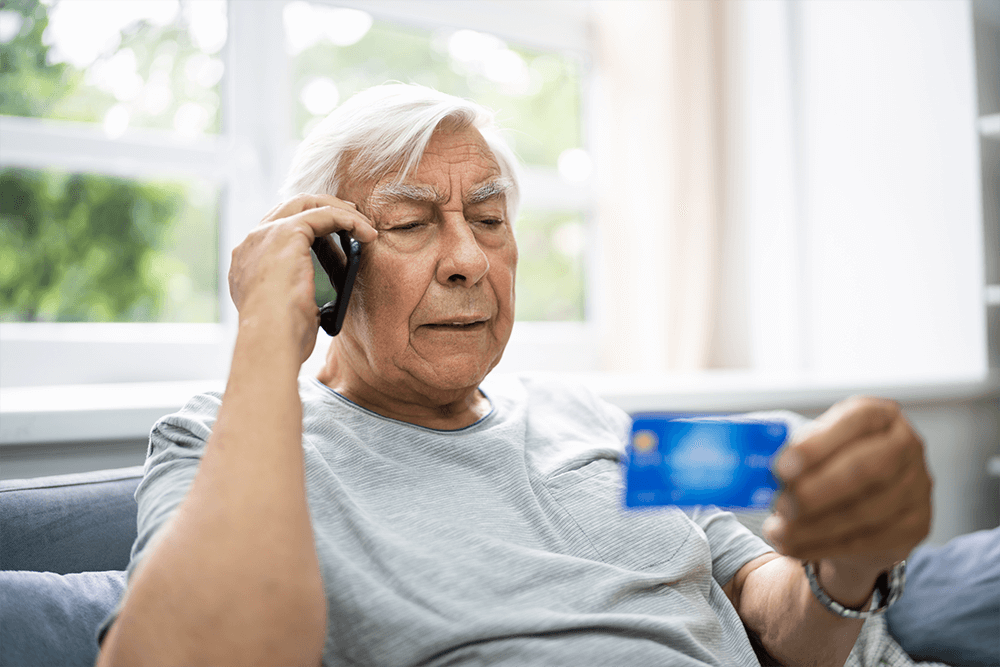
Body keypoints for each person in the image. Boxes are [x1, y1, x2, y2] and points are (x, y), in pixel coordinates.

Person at [96, 84, 932, 667]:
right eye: (412, 222)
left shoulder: (596, 415)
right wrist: (265, 343)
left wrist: (847, 563)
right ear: (327, 261)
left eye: (490, 219)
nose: (468, 258)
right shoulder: (221, 433)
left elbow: (773, 616)